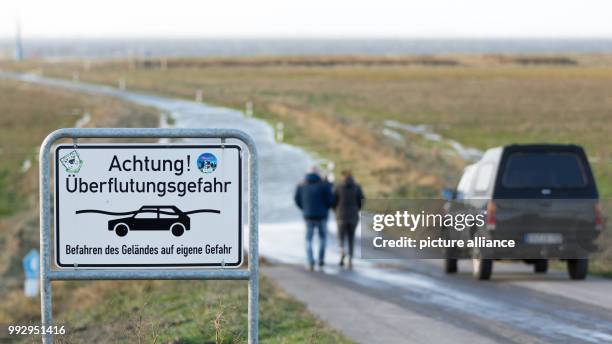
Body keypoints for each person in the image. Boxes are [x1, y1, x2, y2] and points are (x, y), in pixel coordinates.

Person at [294, 166, 335, 271]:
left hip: (308, 216)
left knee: (308, 240)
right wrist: (326, 208)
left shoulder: (301, 185)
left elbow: (297, 200)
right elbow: (330, 201)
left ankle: (310, 261)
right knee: (322, 238)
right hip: (322, 216)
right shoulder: (324, 185)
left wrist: (304, 208)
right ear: (318, 174)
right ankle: (320, 260)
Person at [333, 170, 364, 269]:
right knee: (351, 238)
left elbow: (333, 200)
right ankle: (350, 259)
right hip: (353, 216)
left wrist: (335, 210)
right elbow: (361, 200)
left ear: (343, 177)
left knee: (341, 237)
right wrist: (357, 209)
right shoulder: (357, 187)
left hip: (340, 215)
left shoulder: (338, 187)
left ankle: (342, 250)